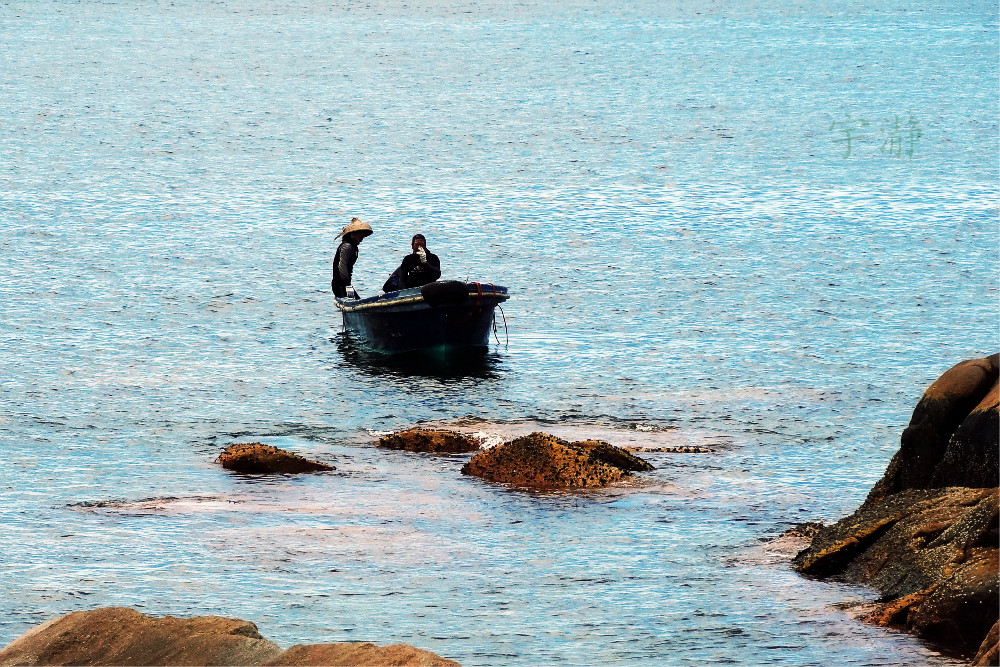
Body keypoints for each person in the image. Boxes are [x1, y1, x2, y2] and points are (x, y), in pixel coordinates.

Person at [331, 217, 372, 298]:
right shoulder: (347, 247)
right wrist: (347, 285)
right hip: (341, 285)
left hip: (344, 284)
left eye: (362, 234)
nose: (362, 236)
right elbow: (342, 266)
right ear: (352, 234)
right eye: (359, 233)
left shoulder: (353, 247)